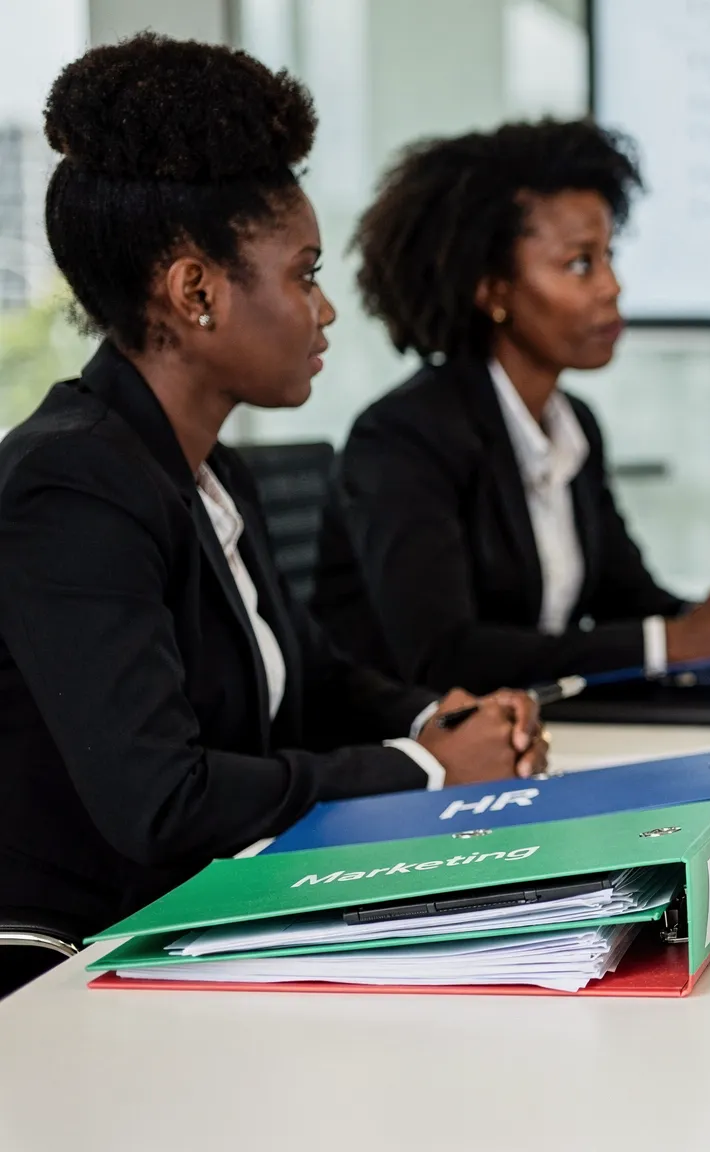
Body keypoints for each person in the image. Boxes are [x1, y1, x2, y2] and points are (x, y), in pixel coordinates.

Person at [0, 36, 544, 964]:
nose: (324, 309)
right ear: (195, 290)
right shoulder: (72, 486)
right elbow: (160, 798)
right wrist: (422, 773)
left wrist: (429, 718)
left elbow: (313, 677)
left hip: (204, 916)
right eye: (304, 273)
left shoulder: (206, 469)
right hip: (69, 963)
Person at [311, 120, 710, 693]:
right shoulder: (402, 437)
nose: (612, 286)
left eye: (608, 256)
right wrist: (671, 642)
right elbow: (443, 657)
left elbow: (627, 601)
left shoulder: (571, 424)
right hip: (406, 760)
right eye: (580, 264)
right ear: (492, 290)